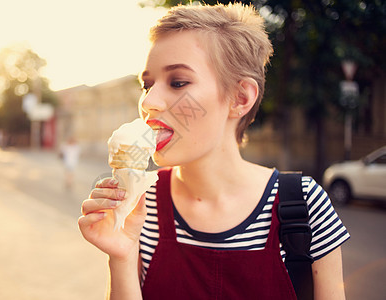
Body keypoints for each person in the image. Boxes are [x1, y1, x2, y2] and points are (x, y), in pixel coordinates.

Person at [79, 3, 349, 299]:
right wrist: (122, 257)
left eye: (178, 82)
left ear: (240, 98)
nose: (148, 102)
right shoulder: (141, 206)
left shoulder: (303, 207)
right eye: (147, 84)